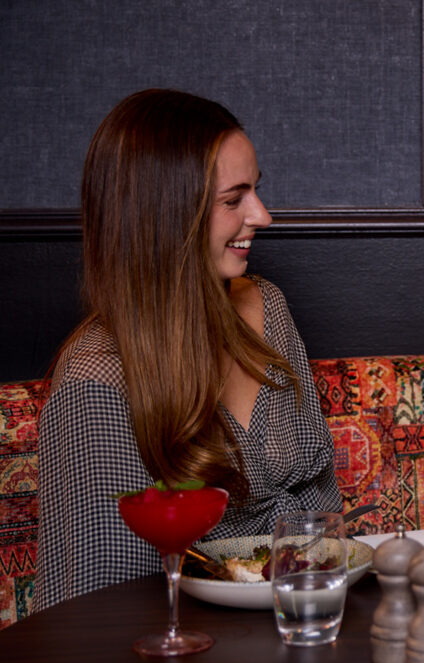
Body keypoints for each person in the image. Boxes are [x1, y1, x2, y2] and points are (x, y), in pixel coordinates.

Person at [36, 89, 341, 610]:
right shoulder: (97, 381)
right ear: (165, 218)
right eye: (232, 199)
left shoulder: (267, 306)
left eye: (256, 191)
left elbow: (324, 504)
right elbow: (104, 606)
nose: (263, 216)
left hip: (310, 616)